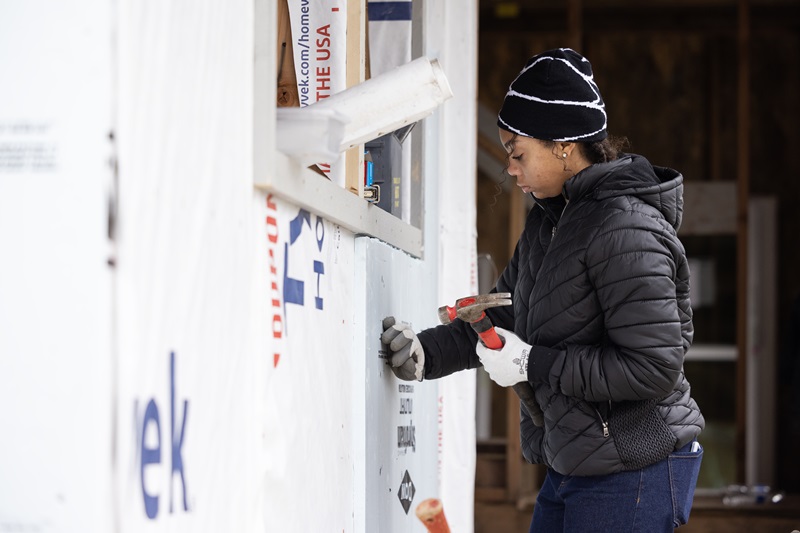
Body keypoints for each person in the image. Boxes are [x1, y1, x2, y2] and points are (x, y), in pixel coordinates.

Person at [381, 48, 705, 532]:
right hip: (576, 461)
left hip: (635, 468)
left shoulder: (626, 230)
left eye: (518, 153)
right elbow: (504, 316)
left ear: (563, 145)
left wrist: (533, 363)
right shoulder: (550, 222)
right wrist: (426, 353)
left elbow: (651, 367)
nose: (510, 168)